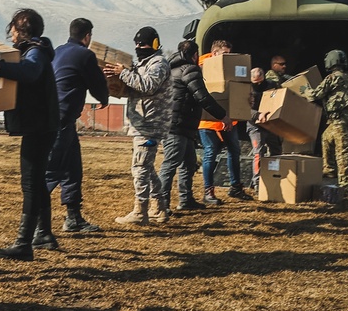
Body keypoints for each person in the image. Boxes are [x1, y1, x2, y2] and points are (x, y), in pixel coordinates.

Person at [0, 9, 59, 260]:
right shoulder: (38, 49)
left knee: (30, 183)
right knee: (36, 181)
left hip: (38, 126)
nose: (12, 35)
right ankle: (44, 234)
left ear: (20, 30)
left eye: (14, 30)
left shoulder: (35, 52)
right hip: (41, 125)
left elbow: (30, 72)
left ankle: (23, 243)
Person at [45, 18, 109, 237]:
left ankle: (73, 219)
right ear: (88, 36)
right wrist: (104, 98)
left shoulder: (58, 50)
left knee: (73, 169)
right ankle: (34, 226)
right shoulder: (85, 55)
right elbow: (97, 83)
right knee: (51, 172)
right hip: (61, 119)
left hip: (57, 117)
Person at [105, 26, 171, 225]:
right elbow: (136, 90)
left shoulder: (158, 63)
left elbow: (148, 85)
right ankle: (158, 208)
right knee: (146, 167)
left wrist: (124, 74)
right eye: (136, 44)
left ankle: (140, 211)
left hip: (150, 123)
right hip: (142, 123)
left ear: (154, 44)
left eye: (142, 44)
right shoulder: (143, 64)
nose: (138, 47)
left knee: (140, 167)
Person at [158, 40, 228, 212]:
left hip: (177, 124)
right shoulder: (189, 70)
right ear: (195, 55)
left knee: (188, 163)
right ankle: (160, 205)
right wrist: (223, 116)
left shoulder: (171, 69)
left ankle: (186, 200)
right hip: (178, 125)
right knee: (170, 164)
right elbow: (202, 97)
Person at [198, 39, 247, 205]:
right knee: (210, 152)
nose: (228, 57)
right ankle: (208, 191)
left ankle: (236, 187)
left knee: (235, 151)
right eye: (224, 54)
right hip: (208, 122)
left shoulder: (231, 67)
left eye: (229, 54)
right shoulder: (201, 67)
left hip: (229, 121)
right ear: (214, 53)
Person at [304, 50, 348, 191]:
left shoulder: (332, 78)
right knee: (326, 138)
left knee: (342, 152)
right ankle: (328, 170)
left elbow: (315, 95)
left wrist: (305, 90)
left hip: (339, 120)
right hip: (345, 119)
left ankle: (345, 184)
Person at [247, 67, 281, 195]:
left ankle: (275, 176)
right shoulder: (246, 89)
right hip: (255, 124)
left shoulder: (271, 85)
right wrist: (258, 115)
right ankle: (257, 183)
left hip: (271, 123)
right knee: (258, 153)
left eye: (261, 81)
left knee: (276, 151)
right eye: (256, 82)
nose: (259, 85)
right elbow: (242, 109)